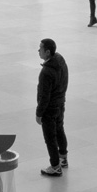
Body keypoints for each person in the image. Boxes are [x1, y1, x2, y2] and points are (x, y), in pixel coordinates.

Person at [36, 39, 69, 176]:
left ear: (47, 52)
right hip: (60, 103)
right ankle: (63, 158)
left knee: (50, 138)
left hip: (49, 109)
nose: (38, 51)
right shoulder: (60, 60)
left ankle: (55, 166)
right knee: (60, 129)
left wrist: (39, 113)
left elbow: (44, 96)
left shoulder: (46, 73)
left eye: (40, 49)